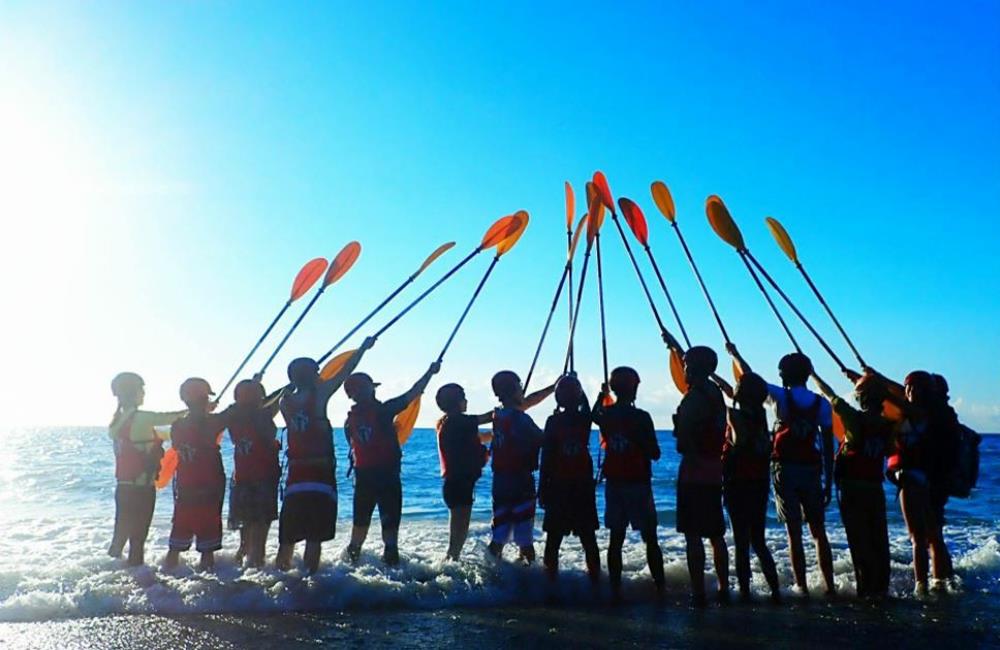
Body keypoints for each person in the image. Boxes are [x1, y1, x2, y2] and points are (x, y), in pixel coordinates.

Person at [729, 345, 836, 597]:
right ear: (807, 374)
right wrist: (829, 482)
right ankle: (830, 586)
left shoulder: (779, 397)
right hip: (812, 470)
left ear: (783, 375)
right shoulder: (821, 405)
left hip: (784, 469)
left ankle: (802, 587)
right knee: (819, 532)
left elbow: (750, 379)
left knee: (794, 533)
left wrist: (735, 354)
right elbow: (829, 448)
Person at [275, 338, 373, 574]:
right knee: (314, 536)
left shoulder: (283, 401)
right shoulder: (319, 395)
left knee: (287, 537)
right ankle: (310, 581)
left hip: (295, 478)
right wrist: (362, 350)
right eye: (317, 372)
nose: (321, 375)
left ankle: (279, 580)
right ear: (310, 376)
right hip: (319, 476)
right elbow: (344, 372)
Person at [343, 362, 441, 566]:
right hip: (387, 476)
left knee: (360, 525)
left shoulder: (349, 421)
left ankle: (347, 572)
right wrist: (430, 372)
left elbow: (353, 450)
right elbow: (414, 392)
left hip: (362, 478)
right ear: (369, 389)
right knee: (390, 528)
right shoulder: (385, 410)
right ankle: (395, 577)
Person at [813, 371, 893, 598]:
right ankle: (880, 587)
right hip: (874, 488)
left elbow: (829, 395)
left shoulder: (855, 419)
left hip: (851, 487)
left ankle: (864, 588)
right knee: (879, 538)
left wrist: (813, 374)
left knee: (859, 541)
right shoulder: (888, 426)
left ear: (862, 399)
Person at [593, 366, 665, 602]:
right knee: (650, 539)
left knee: (616, 538)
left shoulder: (607, 415)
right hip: (638, 484)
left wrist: (600, 395)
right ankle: (660, 587)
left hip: (615, 484)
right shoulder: (641, 417)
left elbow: (593, 415)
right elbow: (654, 453)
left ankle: (615, 590)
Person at [885, 370, 955, 594]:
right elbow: (898, 391)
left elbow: (895, 397)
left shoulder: (918, 413)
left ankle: (921, 585)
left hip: (914, 480)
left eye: (914, 388)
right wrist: (871, 376)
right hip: (934, 482)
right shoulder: (937, 414)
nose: (909, 392)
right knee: (934, 535)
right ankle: (942, 580)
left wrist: (874, 382)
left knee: (917, 538)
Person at [714, 371, 781, 603]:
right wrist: (717, 378)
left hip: (737, 484)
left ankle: (744, 592)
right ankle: (775, 591)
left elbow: (737, 440)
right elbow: (733, 395)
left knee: (741, 542)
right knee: (758, 541)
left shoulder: (733, 415)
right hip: (759, 484)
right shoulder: (761, 416)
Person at [108, 372, 186, 566]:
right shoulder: (141, 418)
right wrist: (199, 410)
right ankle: (139, 581)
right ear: (133, 393)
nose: (143, 393)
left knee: (119, 537)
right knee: (138, 539)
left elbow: (163, 433)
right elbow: (172, 418)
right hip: (142, 490)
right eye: (141, 390)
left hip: (123, 489)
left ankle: (110, 573)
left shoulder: (117, 422)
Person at [673, 347, 730, 607]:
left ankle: (699, 592)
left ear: (692, 368)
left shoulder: (692, 399)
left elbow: (683, 441)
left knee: (693, 535)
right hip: (713, 470)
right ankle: (723, 587)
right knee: (716, 534)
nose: (682, 368)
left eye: (685, 364)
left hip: (694, 472)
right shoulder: (716, 394)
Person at [487, 370, 555, 563]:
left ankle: (493, 573)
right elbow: (543, 439)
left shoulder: (497, 416)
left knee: (499, 533)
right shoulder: (520, 419)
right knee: (525, 537)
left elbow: (526, 402)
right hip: (520, 480)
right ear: (515, 390)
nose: (523, 389)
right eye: (520, 386)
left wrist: (552, 387)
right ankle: (530, 579)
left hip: (500, 482)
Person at [539, 374, 600, 583]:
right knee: (588, 538)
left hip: (558, 484)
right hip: (582, 485)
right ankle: (595, 583)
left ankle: (550, 582)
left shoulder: (553, 421)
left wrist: (542, 488)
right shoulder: (585, 420)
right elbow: (588, 408)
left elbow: (545, 457)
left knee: (553, 540)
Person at [164, 378, 227, 571]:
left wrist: (206, 409)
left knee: (178, 536)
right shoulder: (214, 421)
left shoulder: (177, 426)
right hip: (210, 485)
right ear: (205, 399)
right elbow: (234, 414)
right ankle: (208, 583)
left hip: (185, 487)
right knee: (207, 542)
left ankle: (168, 574)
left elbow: (180, 441)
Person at [226, 378, 282, 568]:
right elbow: (276, 398)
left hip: (241, 478)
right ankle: (256, 567)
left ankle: (240, 564)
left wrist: (251, 385)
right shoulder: (264, 416)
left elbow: (245, 403)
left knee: (246, 525)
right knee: (260, 525)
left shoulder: (232, 416)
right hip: (264, 478)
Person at [434, 383, 491, 561]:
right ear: (456, 402)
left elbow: (480, 436)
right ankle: (450, 568)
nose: (466, 401)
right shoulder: (460, 421)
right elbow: (489, 417)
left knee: (456, 535)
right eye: (463, 397)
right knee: (459, 535)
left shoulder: (448, 423)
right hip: (460, 484)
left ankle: (450, 564)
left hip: (452, 484)